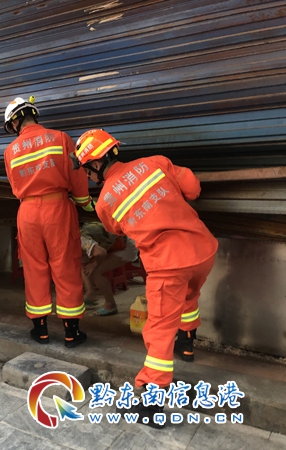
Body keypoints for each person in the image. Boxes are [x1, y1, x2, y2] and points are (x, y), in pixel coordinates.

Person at [72, 128, 218, 427]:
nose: (87, 175)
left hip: (168, 265)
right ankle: (187, 343)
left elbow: (116, 229)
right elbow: (192, 188)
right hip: (203, 251)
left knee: (159, 332)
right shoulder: (156, 162)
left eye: (86, 169)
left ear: (96, 164)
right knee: (189, 297)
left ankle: (151, 403)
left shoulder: (104, 203)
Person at [3, 96, 93, 349]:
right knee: (66, 265)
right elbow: (77, 175)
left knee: (34, 268)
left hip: (27, 212)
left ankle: (40, 329)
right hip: (58, 209)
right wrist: (85, 202)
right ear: (33, 114)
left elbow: (15, 187)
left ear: (15, 123)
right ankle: (71, 332)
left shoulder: (10, 151)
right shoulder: (61, 138)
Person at [80, 221, 138, 316]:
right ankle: (90, 295)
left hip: (125, 245)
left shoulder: (82, 240)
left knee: (96, 272)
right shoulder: (72, 243)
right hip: (110, 245)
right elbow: (82, 263)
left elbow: (101, 253)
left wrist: (94, 264)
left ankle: (110, 305)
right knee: (83, 265)